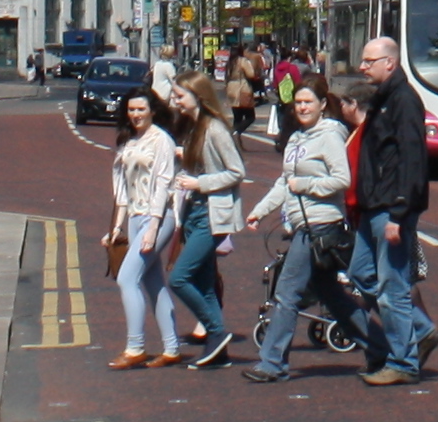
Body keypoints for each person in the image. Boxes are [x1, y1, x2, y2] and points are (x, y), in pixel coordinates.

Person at [243, 78, 351, 382]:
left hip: (321, 224)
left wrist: (304, 185)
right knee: (334, 298)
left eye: (308, 102)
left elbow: (342, 179)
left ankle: (272, 363)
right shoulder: (296, 139)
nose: (302, 108)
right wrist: (260, 211)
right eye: (298, 103)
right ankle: (381, 347)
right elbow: (284, 182)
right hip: (302, 223)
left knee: (286, 292)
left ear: (322, 105)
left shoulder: (329, 137)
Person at [349, 36, 438, 388]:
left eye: (369, 61)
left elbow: (412, 159)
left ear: (390, 63)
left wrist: (400, 214)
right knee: (360, 273)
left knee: (393, 286)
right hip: (373, 206)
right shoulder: (383, 99)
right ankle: (420, 329)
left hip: (391, 208)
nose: (362, 66)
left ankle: (403, 361)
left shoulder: (403, 100)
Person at [168, 74, 245, 365]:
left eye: (179, 96)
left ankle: (215, 331)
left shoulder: (215, 129)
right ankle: (218, 352)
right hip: (193, 212)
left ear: (197, 95)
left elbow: (236, 171)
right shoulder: (191, 127)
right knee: (205, 284)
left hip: (210, 214)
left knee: (179, 278)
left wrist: (200, 184)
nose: (175, 101)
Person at [106, 90, 183, 370]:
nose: (135, 115)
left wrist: (152, 228)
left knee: (127, 279)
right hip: (135, 217)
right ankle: (172, 348)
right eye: (131, 110)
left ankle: (135, 347)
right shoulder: (129, 141)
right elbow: (123, 188)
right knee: (153, 283)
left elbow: (163, 184)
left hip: (158, 217)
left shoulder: (161, 140)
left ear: (152, 111)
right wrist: (116, 226)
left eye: (141, 109)